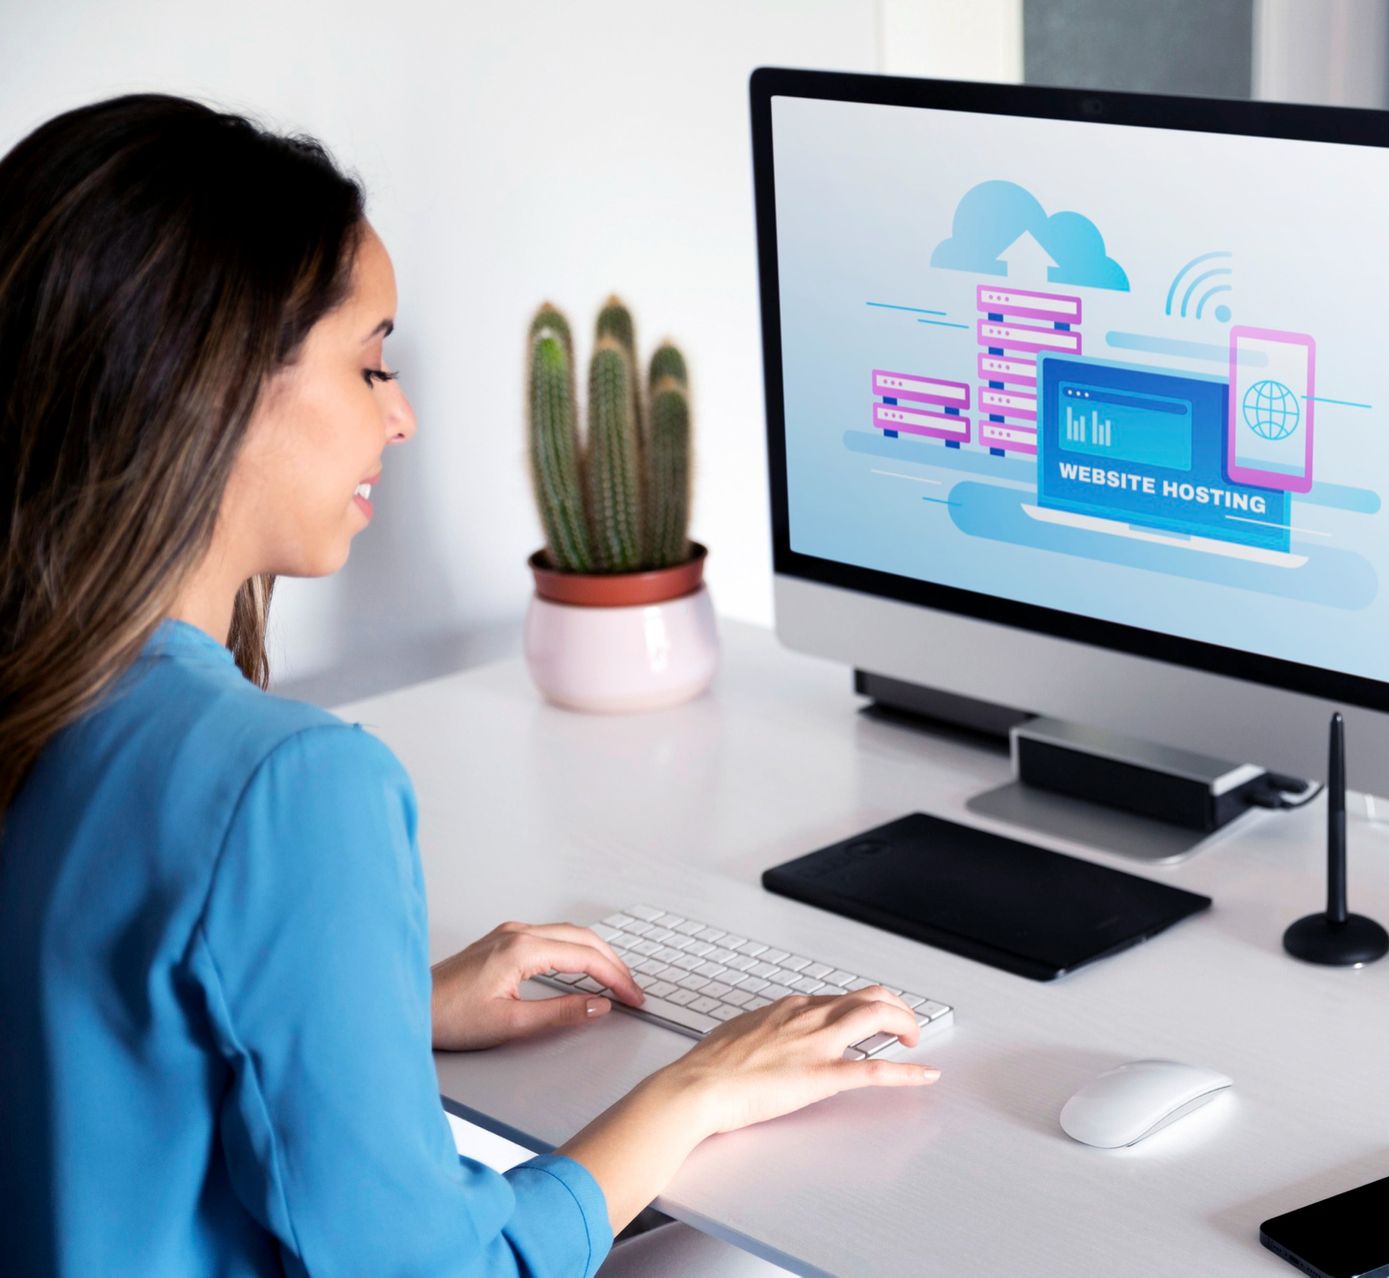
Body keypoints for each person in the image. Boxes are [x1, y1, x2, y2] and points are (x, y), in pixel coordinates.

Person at [0, 94, 939, 1276]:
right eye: (370, 361)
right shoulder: (284, 787)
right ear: (215, 384)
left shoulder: (47, 698)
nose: (400, 415)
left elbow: (97, 1029)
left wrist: (379, 1013)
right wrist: (697, 1090)